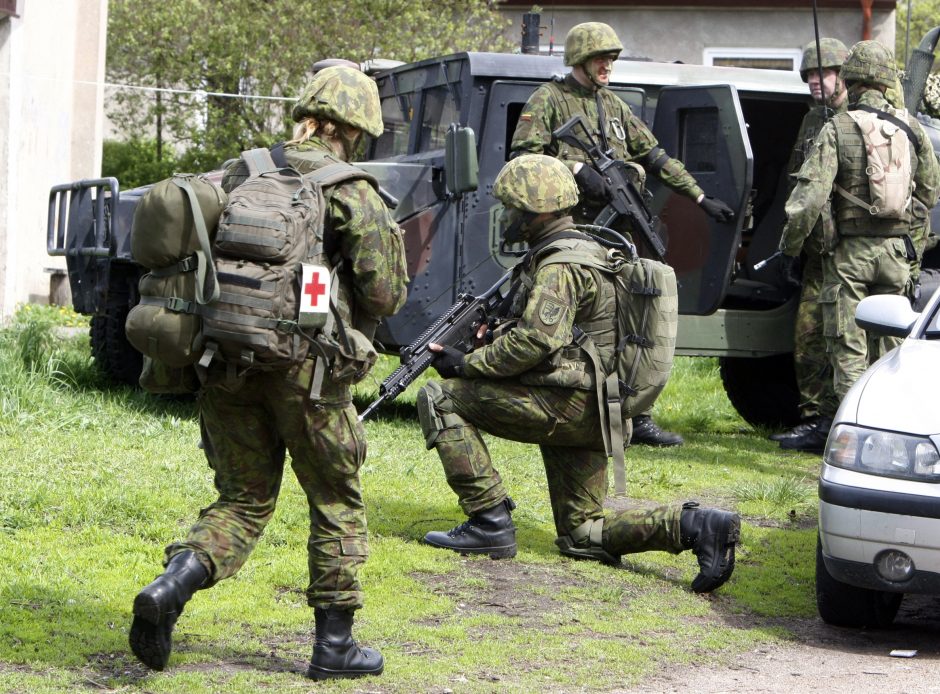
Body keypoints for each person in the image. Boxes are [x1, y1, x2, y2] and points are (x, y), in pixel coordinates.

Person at [128, 66, 409, 680]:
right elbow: (385, 294)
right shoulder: (351, 190)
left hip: (225, 361)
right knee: (335, 499)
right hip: (307, 376)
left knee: (242, 500)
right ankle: (334, 647)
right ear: (355, 128)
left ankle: (169, 587)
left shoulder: (239, 171)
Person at [417, 153, 740, 594]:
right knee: (582, 534)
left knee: (440, 396)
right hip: (596, 409)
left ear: (537, 211)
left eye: (513, 209)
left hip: (567, 406)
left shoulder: (560, 266)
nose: (508, 217)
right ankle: (696, 525)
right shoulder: (590, 250)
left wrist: (466, 364)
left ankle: (488, 519)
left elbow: (536, 342)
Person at [510, 21, 736, 448]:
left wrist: (700, 196)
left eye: (612, 59)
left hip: (614, 235)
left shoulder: (613, 106)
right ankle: (560, 405)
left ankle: (635, 415)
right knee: (573, 323)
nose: (607, 66)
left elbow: (654, 155)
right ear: (579, 59)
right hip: (569, 233)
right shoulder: (549, 100)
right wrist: (578, 171)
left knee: (629, 318)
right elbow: (523, 156)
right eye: (600, 59)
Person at [778, 40, 940, 452]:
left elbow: (809, 198)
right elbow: (930, 193)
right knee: (890, 347)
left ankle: (853, 442)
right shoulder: (911, 127)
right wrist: (913, 249)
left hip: (850, 257)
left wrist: (791, 246)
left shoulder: (838, 126)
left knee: (847, 345)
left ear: (851, 79)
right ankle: (892, 439)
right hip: (895, 256)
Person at [770, 38, 849, 446]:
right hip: (815, 248)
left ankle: (842, 423)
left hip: (848, 250)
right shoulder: (811, 121)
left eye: (825, 73)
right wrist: (793, 244)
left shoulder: (853, 121)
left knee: (844, 339)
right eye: (810, 75)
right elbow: (796, 184)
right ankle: (816, 421)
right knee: (808, 339)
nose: (817, 81)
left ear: (843, 76)